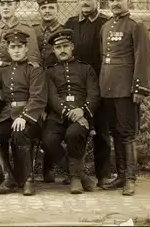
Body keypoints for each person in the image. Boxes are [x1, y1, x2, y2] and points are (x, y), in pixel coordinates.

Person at [99, 0, 150, 196]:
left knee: (128, 133)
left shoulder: (136, 25)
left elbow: (144, 59)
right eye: (112, 0)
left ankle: (130, 178)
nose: (115, 3)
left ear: (128, 0)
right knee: (114, 132)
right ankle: (121, 175)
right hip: (108, 88)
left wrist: (139, 88)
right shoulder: (105, 26)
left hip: (126, 88)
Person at [0, 30, 47, 195]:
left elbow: (38, 98)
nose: (16, 50)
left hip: (30, 118)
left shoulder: (35, 70)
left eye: (20, 47)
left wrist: (25, 116)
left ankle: (28, 179)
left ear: (26, 48)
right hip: (8, 115)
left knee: (20, 131)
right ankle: (8, 177)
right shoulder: (5, 71)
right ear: (8, 49)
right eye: (13, 47)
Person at [64, 0, 112, 188]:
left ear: (97, 0)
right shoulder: (71, 23)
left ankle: (103, 174)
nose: (85, 2)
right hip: (76, 86)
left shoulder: (105, 23)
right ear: (78, 1)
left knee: (101, 131)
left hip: (99, 84)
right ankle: (77, 173)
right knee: (76, 129)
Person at [41, 29, 98, 194]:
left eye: (65, 46)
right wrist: (69, 112)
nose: (62, 50)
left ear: (72, 46)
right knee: (48, 140)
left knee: (73, 134)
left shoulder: (86, 69)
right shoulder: (49, 71)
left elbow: (94, 94)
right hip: (57, 116)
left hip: (82, 115)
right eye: (58, 47)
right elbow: (52, 97)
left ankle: (74, 179)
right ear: (54, 50)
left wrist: (82, 111)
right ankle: (81, 176)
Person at [31, 0, 64, 183]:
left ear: (57, 10)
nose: (47, 11)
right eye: (43, 8)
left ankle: (49, 169)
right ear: (39, 11)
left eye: (51, 7)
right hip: (36, 80)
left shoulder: (63, 30)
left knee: (52, 121)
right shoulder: (34, 31)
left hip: (55, 80)